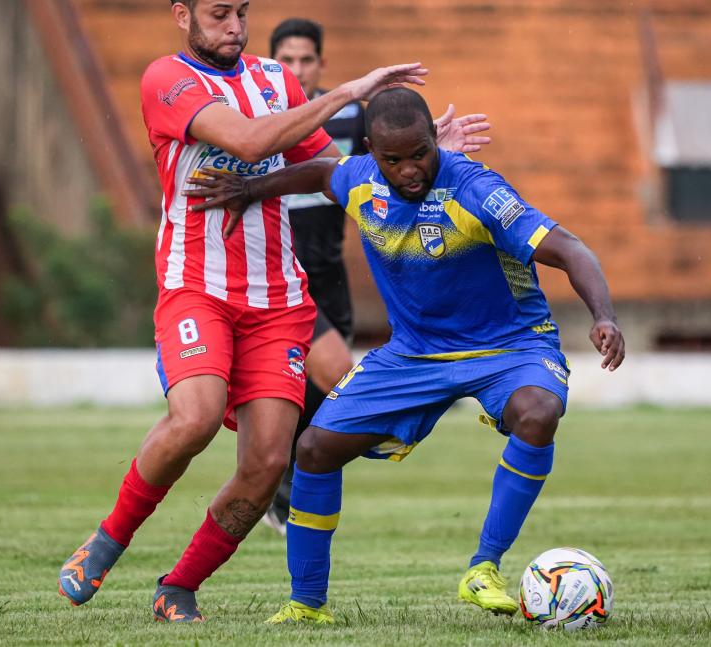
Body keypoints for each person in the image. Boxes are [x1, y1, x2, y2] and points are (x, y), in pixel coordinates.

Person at [56, 0, 431, 623]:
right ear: (183, 15)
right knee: (195, 417)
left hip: (279, 303)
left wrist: (411, 166)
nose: (236, 27)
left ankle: (178, 586)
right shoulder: (167, 79)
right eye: (220, 14)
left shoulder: (275, 79)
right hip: (195, 288)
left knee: (264, 463)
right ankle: (108, 539)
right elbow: (252, 141)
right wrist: (348, 91)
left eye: (243, 13)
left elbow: (327, 169)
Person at [186, 86, 626, 624]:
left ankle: (483, 567)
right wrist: (253, 188)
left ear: (432, 141)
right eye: (393, 159)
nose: (409, 169)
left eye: (420, 153)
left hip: (510, 344)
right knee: (316, 449)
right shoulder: (362, 179)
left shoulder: (476, 189)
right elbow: (322, 174)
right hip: (414, 355)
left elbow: (570, 248)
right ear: (372, 150)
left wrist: (602, 315)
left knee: (537, 413)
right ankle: (306, 604)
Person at [261, 18, 491, 533]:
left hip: (329, 275)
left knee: (318, 389)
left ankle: (286, 482)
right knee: (336, 371)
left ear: (321, 64)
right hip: (280, 274)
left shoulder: (348, 119)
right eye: (286, 61)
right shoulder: (256, 122)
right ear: (270, 64)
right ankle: (301, 471)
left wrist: (438, 157)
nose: (296, 69)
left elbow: (394, 184)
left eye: (305, 60)